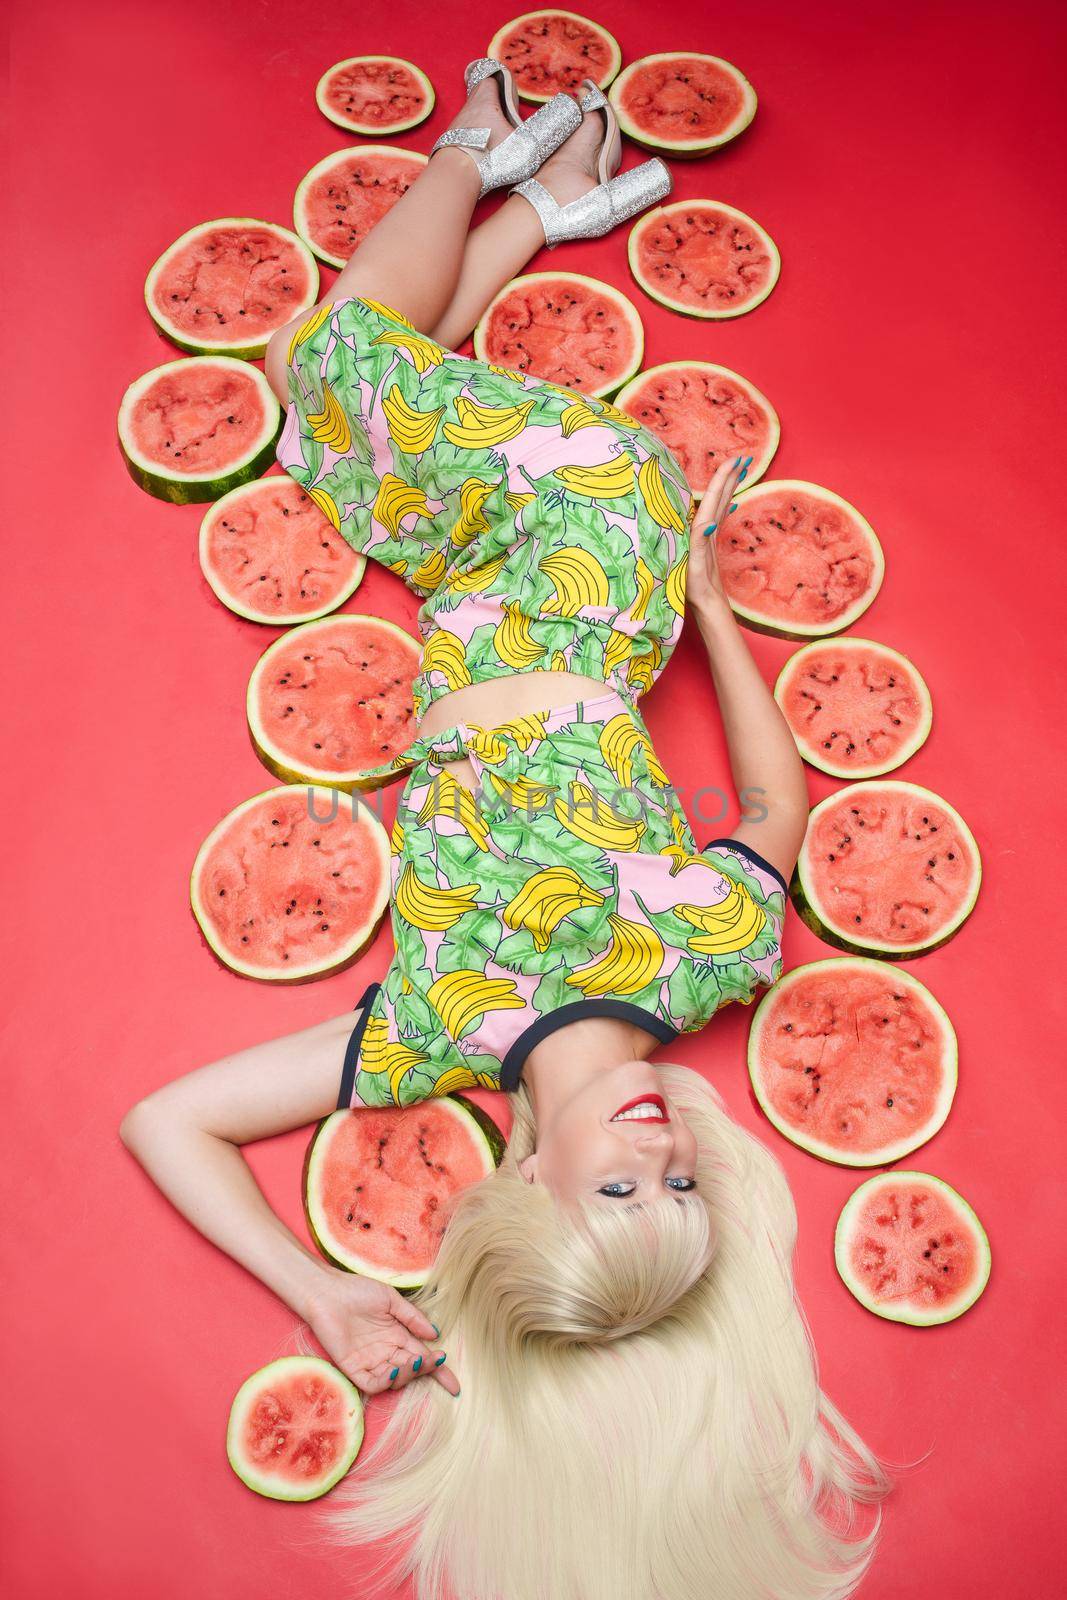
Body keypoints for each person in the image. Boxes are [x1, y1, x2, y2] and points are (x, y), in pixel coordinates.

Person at [121, 60, 889, 1600]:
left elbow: (163, 1120)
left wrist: (318, 1290)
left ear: (519, 1186)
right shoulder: (702, 964)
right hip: (601, 552)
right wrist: (710, 601)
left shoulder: (434, 1032)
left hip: (476, 586)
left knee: (322, 404)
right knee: (331, 350)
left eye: (623, 1195)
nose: (665, 1161)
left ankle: (539, 198)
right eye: (684, 1199)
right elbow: (780, 814)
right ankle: (482, 157)